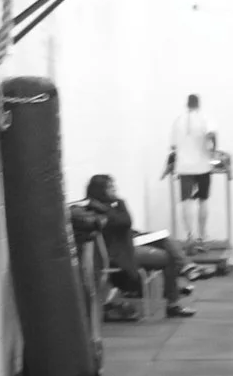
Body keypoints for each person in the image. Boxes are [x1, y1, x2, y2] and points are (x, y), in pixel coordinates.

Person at [81, 174, 193, 319]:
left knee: (167, 241)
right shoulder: (97, 210)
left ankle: (184, 269)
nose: (114, 189)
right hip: (121, 252)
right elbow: (125, 221)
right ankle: (173, 300)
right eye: (110, 186)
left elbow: (124, 225)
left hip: (130, 242)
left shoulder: (108, 207)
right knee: (168, 257)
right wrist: (119, 202)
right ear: (100, 189)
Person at [167, 94, 217, 246]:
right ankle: (202, 235)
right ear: (198, 104)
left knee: (186, 201)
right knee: (203, 199)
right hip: (202, 165)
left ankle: (191, 235)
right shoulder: (205, 118)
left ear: (186, 104)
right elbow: (211, 136)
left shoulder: (178, 120)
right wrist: (213, 150)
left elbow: (173, 146)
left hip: (184, 167)